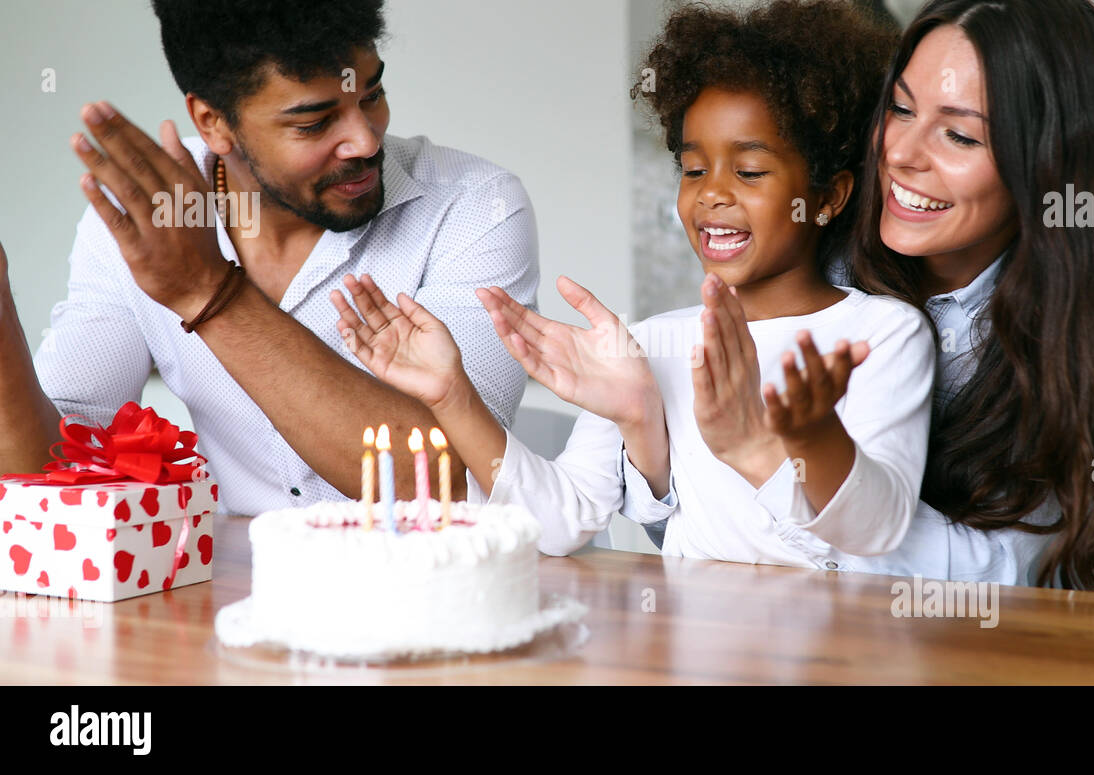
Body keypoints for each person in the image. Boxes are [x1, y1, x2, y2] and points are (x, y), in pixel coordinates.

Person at [332, 0, 933, 568]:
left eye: (749, 171)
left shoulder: (881, 335)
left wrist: (791, 441)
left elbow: (875, 535)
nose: (712, 193)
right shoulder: (645, 347)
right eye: (693, 169)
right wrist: (452, 397)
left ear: (827, 197)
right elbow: (559, 524)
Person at [0, 0, 539, 516]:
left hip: (436, 590)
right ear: (213, 121)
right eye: (314, 122)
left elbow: (448, 479)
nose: (364, 142)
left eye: (371, 94)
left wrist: (210, 291)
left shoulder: (475, 205)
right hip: (233, 592)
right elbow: (53, 478)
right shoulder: (148, 221)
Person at [848, 0, 1094, 591]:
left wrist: (788, 465)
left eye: (960, 134)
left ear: (1047, 164)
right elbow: (706, 537)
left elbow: (1002, 575)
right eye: (899, 108)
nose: (899, 152)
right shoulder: (827, 272)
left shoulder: (1080, 344)